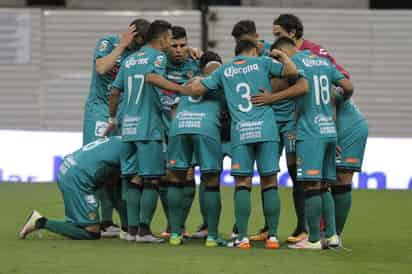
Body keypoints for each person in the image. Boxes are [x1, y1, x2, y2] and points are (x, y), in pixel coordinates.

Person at [187, 39, 300, 249]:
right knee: (269, 182)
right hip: (267, 129)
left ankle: (243, 237)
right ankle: (273, 237)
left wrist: (193, 74)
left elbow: (197, 88)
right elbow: (292, 73)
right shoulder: (264, 63)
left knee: (242, 184)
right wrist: (283, 56)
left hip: (241, 132)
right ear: (255, 50)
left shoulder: (225, 70)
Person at [251, 37, 353, 249]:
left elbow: (303, 88)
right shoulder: (324, 62)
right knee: (325, 186)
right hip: (328, 130)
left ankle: (314, 239)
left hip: (310, 132)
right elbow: (348, 86)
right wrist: (337, 99)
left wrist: (271, 98)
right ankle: (332, 236)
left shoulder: (295, 64)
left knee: (311, 185)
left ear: (282, 53)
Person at [107, 20, 192, 243]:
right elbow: (152, 77)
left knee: (133, 179)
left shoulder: (129, 59)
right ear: (163, 38)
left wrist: (112, 118)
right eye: (169, 39)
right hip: (149, 126)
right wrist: (181, 89)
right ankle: (144, 231)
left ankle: (131, 231)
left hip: (128, 126)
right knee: (152, 179)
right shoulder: (159, 57)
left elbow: (114, 92)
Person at [82, 19, 150, 237]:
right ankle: (103, 221)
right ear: (132, 34)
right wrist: (121, 45)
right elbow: (101, 68)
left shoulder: (140, 54)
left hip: (123, 114)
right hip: (99, 110)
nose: (140, 46)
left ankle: (123, 223)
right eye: (138, 41)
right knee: (97, 164)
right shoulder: (108, 43)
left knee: (120, 168)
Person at [167, 50, 225, 247]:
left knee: (176, 179)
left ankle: (175, 233)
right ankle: (212, 236)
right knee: (211, 180)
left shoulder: (187, 82)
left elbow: (173, 109)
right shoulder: (222, 81)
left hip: (178, 126)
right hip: (205, 128)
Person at [19, 136, 128, 240]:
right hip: (77, 178)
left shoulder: (119, 140)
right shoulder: (131, 150)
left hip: (69, 167)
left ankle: (125, 228)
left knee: (81, 222)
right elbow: (115, 186)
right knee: (92, 232)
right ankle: (40, 222)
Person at [159, 26, 201, 239]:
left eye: (183, 45)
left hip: (187, 127)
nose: (178, 50)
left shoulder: (195, 64)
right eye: (174, 45)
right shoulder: (157, 62)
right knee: (166, 176)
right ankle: (171, 224)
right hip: (160, 126)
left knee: (189, 174)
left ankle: (180, 225)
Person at [332, 89, 368, 246]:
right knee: (324, 181)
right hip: (332, 126)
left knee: (342, 179)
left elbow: (345, 87)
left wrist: (331, 135)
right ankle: (324, 232)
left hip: (348, 129)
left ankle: (335, 236)